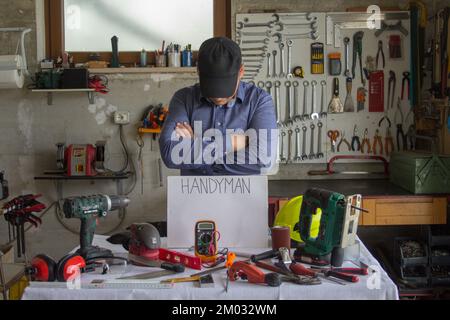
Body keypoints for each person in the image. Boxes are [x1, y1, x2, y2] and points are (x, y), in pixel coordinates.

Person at [159, 37, 277, 176]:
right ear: (198, 71)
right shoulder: (183, 99)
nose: (218, 97)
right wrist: (232, 143)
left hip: (243, 196)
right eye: (212, 88)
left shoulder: (259, 101)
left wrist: (195, 149)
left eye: (224, 88)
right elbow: (170, 154)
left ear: (241, 72)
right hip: (194, 195)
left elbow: (264, 160)